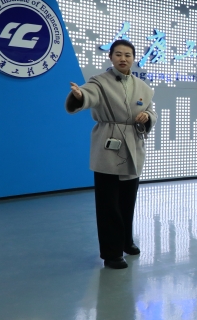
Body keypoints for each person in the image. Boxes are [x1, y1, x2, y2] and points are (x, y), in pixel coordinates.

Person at [65, 39, 157, 269]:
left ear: (133, 58)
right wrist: (79, 96)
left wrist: (147, 117)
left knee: (128, 200)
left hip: (134, 147)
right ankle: (111, 253)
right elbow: (88, 95)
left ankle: (126, 241)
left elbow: (150, 110)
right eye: (118, 54)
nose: (123, 58)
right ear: (111, 57)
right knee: (108, 205)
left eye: (127, 55)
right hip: (108, 147)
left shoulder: (143, 87)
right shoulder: (99, 82)